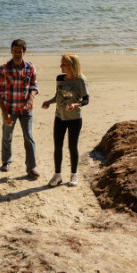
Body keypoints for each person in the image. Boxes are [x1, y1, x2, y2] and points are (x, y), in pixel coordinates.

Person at [0, 39, 39, 179]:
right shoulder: (4, 68)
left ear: (24, 52)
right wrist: (5, 113)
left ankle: (31, 168)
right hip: (9, 110)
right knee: (7, 136)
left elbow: (34, 87)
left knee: (29, 137)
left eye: (20, 51)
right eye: (15, 51)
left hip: (26, 110)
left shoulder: (30, 67)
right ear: (11, 51)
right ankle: (6, 161)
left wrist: (31, 97)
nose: (17, 54)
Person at [42, 53, 89, 187]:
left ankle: (74, 174)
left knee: (72, 146)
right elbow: (58, 96)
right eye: (61, 63)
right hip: (59, 117)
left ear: (72, 65)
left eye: (64, 64)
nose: (61, 66)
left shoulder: (80, 80)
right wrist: (49, 102)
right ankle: (57, 175)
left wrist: (75, 104)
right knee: (57, 147)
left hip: (74, 118)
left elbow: (86, 100)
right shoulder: (59, 78)